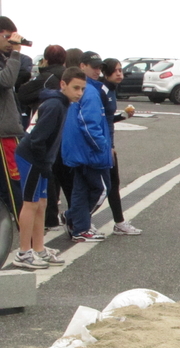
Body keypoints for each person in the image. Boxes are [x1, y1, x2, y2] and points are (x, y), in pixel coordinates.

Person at [12, 67, 85, 269]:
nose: (79, 92)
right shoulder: (54, 105)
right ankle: (23, 253)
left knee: (42, 203)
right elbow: (36, 140)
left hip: (43, 160)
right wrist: (43, 165)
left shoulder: (63, 104)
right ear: (63, 84)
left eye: (82, 89)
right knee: (30, 203)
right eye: (75, 88)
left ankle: (39, 249)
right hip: (32, 158)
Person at [62, 51, 113, 242]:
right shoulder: (90, 91)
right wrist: (102, 146)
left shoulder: (85, 89)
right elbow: (89, 123)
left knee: (80, 189)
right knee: (100, 189)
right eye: (94, 67)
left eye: (100, 68)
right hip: (90, 152)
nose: (98, 71)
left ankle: (76, 223)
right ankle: (79, 223)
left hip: (78, 151)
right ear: (82, 66)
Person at [99, 58, 141, 235]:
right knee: (102, 187)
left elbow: (108, 118)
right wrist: (107, 144)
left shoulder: (111, 90)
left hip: (108, 143)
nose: (119, 73)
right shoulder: (101, 91)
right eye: (115, 70)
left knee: (113, 183)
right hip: (103, 144)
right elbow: (99, 121)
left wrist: (122, 116)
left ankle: (119, 222)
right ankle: (74, 219)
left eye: (120, 70)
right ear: (106, 72)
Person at [0, 17, 25, 225]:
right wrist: (16, 53)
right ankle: (28, 243)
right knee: (13, 184)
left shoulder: (3, 57)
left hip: (7, 130)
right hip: (3, 134)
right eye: (7, 37)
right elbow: (6, 80)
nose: (11, 42)